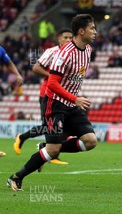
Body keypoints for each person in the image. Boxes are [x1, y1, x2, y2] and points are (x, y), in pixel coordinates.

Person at [7, 14, 98, 191]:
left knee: (91, 141)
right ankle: (16, 177)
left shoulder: (87, 49)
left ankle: (45, 147)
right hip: (55, 104)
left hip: (71, 104)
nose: (95, 32)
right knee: (53, 150)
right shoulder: (65, 54)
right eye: (92, 28)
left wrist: (74, 99)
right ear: (81, 31)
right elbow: (52, 83)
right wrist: (75, 98)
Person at [13, 28, 73, 167]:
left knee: (58, 126)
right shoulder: (52, 52)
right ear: (59, 39)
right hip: (48, 94)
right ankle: (46, 151)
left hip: (63, 95)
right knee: (50, 127)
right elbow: (36, 68)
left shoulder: (72, 53)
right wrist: (51, 77)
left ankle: (38, 145)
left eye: (71, 37)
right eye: (65, 37)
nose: (69, 40)